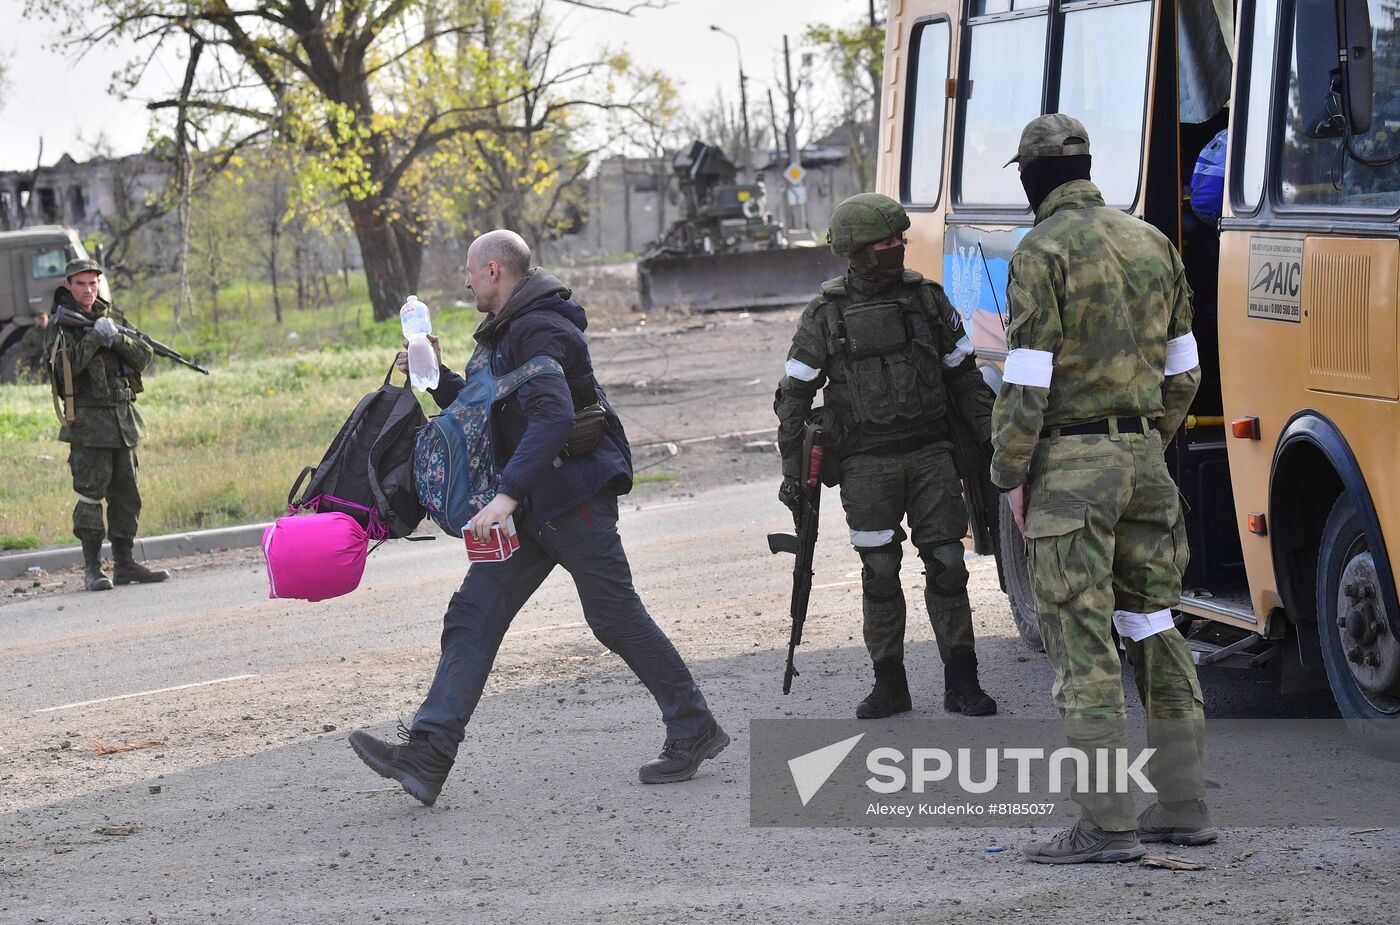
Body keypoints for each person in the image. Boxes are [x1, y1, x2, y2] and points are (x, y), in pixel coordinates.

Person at [349, 230, 726, 806]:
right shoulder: (509, 328)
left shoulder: (539, 328)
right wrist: (438, 377)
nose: (466, 282)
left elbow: (552, 416)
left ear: (495, 271)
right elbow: (488, 412)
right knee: (474, 614)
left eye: (472, 273)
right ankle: (428, 755)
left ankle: (693, 725)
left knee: (615, 618)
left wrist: (504, 497)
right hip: (534, 505)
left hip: (571, 499)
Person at [991, 113, 1213, 864]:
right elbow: (1185, 370)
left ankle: (1107, 823)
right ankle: (1182, 805)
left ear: (1029, 179)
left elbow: (1027, 380)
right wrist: (1146, 441)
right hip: (1146, 460)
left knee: (1083, 646)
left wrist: (1008, 472)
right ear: (1087, 165)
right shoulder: (1152, 240)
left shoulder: (1039, 251)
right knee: (1153, 627)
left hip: (1070, 472)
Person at [774, 192, 998, 720]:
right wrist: (792, 475)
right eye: (885, 242)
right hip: (865, 465)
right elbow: (794, 397)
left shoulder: (928, 300)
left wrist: (992, 439)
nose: (897, 247)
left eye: (899, 238)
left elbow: (964, 376)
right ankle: (889, 684)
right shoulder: (824, 315)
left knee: (947, 564)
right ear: (856, 250)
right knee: (879, 571)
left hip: (931, 455)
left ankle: (962, 682)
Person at [49, 258, 170, 592]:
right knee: (90, 498)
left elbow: (144, 356)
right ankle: (92, 569)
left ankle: (125, 564)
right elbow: (65, 368)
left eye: (93, 283)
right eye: (80, 284)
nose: (88, 290)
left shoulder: (113, 317)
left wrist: (117, 339)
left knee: (127, 496)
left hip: (122, 421)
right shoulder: (61, 324)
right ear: (69, 285)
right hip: (88, 425)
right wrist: (93, 339)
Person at [15, 312, 50, 381]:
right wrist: (39, 350)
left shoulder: (54, 330)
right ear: (35, 320)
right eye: (39, 319)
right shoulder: (31, 333)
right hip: (36, 362)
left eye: (43, 318)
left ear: (47, 319)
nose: (41, 321)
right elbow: (25, 348)